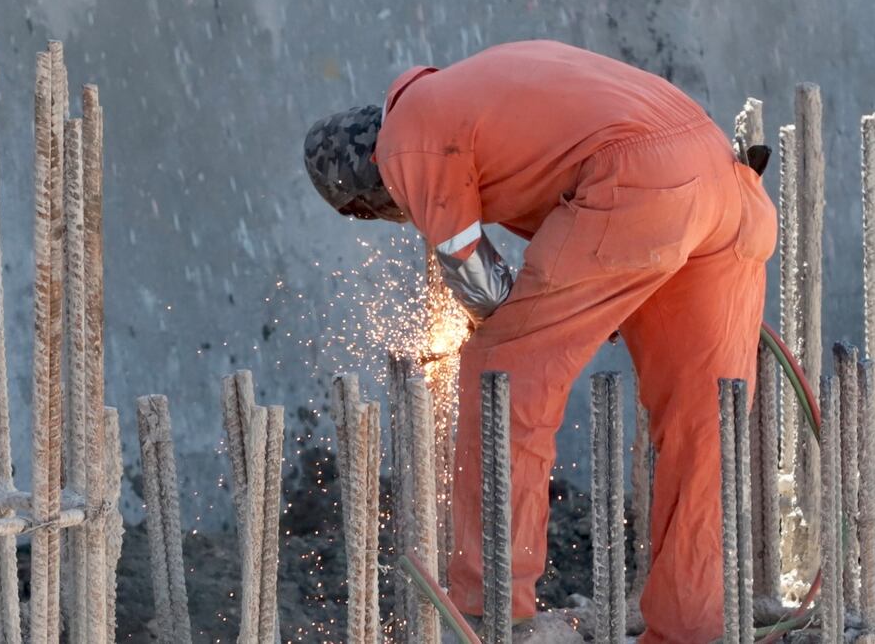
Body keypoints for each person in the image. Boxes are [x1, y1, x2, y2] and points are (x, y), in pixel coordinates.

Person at [303, 39, 776, 643]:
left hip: (639, 184)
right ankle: (694, 626)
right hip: (723, 183)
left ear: (366, 195)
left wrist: (508, 326)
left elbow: (475, 280)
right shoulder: (474, 96)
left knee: (500, 371)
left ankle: (495, 610)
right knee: (703, 418)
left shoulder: (408, 138)